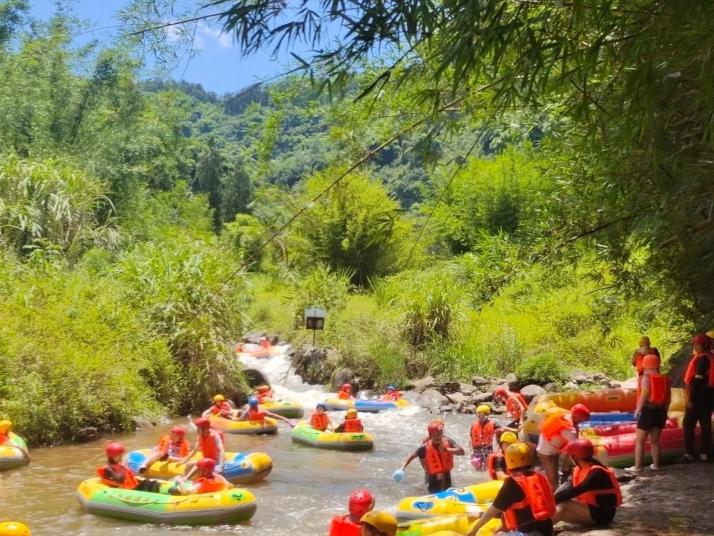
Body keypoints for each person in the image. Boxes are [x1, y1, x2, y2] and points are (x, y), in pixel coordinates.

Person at [466, 441, 555, 536]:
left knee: (498, 535)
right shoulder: (538, 477)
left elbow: (494, 509)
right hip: (547, 530)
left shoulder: (513, 483)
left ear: (508, 460)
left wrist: (474, 529)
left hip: (529, 533)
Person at [554, 439, 622, 527]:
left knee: (564, 504)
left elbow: (576, 491)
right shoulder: (582, 468)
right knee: (559, 505)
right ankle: (539, 527)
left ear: (576, 457)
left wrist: (551, 501)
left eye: (570, 455)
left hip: (602, 515)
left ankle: (541, 531)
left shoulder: (597, 472)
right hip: (589, 510)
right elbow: (569, 489)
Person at [626, 354, 671, 473]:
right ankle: (656, 465)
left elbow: (645, 393)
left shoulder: (646, 378)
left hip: (648, 411)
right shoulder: (665, 378)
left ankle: (638, 467)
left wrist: (638, 409)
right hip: (661, 412)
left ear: (645, 364)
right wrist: (665, 412)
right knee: (655, 441)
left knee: (639, 442)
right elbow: (668, 398)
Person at [537, 403, 590, 492]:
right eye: (582, 421)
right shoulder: (569, 430)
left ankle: (562, 475)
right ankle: (555, 502)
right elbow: (576, 450)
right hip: (547, 455)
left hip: (545, 447)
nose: (581, 423)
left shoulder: (562, 415)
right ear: (576, 418)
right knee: (554, 483)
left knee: (555, 477)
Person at [399, 421, 465, 493]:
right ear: (430, 435)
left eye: (440, 434)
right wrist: (402, 469)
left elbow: (462, 452)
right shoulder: (424, 448)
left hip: (446, 478)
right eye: (435, 435)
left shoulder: (448, 441)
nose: (438, 437)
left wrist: (446, 450)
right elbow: (412, 456)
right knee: (431, 489)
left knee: (447, 489)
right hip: (433, 480)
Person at [678, 332, 714, 463]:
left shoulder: (702, 359)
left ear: (704, 345)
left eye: (697, 345)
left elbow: (697, 381)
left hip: (698, 396)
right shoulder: (711, 357)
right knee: (705, 424)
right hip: (709, 396)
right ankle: (705, 452)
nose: (695, 347)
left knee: (688, 425)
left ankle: (689, 454)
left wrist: (690, 400)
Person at [469, 404, 495, 471]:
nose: (479, 416)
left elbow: (499, 434)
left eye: (481, 414)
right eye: (478, 414)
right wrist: (471, 451)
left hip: (488, 448)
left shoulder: (494, 423)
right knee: (476, 463)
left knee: (487, 466)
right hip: (476, 449)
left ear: (487, 414)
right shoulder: (474, 424)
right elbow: (470, 438)